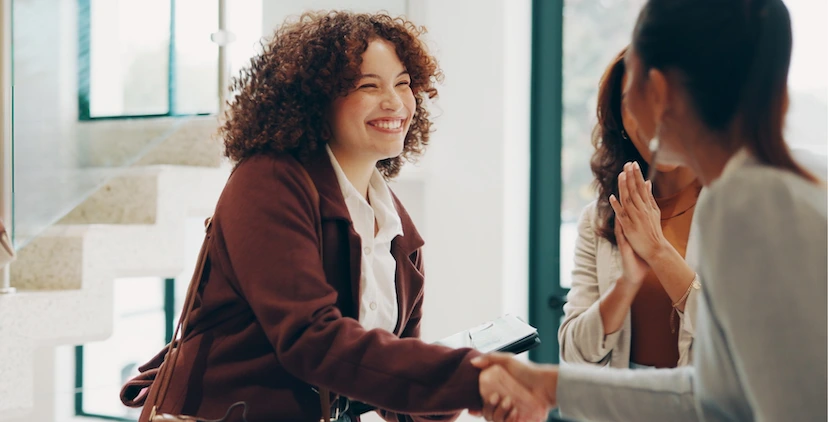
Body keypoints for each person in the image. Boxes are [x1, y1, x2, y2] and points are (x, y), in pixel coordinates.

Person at [122, 11, 547, 422]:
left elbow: (380, 377)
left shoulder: (397, 230)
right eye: (369, 85)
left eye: (404, 83)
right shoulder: (269, 182)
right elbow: (311, 339)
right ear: (317, 99)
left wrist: (483, 396)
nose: (395, 102)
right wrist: (470, 378)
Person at [472, 0, 827, 420]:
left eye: (634, 76)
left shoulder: (745, 203)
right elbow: (716, 395)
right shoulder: (758, 189)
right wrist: (547, 385)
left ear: (658, 92)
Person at [560, 46, 700, 370]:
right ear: (621, 121)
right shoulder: (599, 218)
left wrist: (658, 252)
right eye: (633, 102)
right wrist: (626, 283)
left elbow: (737, 338)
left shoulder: (731, 208)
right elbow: (573, 351)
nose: (652, 117)